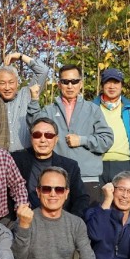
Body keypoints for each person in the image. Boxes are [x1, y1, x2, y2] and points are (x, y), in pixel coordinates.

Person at [27, 65, 114, 204]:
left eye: (74, 81)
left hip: (87, 178)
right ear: (59, 84)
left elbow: (107, 140)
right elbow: (35, 128)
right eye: (65, 81)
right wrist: (34, 100)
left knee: (88, 217)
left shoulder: (93, 110)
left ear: (81, 84)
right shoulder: (49, 110)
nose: (70, 86)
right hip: (56, 180)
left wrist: (82, 140)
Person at [11, 116, 90, 218]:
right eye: (37, 135)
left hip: (58, 221)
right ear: (31, 138)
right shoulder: (16, 160)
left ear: (56, 139)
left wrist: (71, 221)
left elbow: (81, 198)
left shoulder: (70, 166)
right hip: (25, 219)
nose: (43, 140)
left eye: (48, 135)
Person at [0, 51, 49, 152]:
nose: (7, 87)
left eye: (11, 82)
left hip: (26, 155)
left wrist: (20, 56)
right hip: (2, 157)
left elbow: (43, 71)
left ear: (17, 83)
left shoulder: (26, 94)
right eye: (2, 83)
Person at [92, 68, 130, 184]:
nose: (112, 86)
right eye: (108, 82)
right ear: (102, 85)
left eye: (116, 82)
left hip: (123, 163)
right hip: (97, 163)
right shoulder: (90, 108)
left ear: (122, 86)